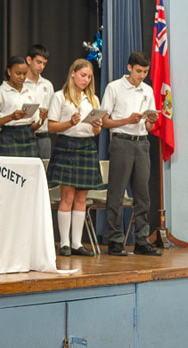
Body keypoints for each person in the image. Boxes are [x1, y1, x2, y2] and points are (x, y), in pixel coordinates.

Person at [100, 52, 161, 256]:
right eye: (138, 71)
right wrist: (127, 120)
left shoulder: (147, 90)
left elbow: (149, 127)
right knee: (116, 193)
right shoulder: (114, 87)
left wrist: (150, 122)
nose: (141, 76)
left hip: (141, 142)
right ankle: (115, 240)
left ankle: (141, 240)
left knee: (143, 195)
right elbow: (104, 121)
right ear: (129, 68)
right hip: (121, 141)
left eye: (145, 72)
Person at [46, 59, 103, 257]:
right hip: (67, 145)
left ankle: (77, 243)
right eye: (82, 75)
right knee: (67, 197)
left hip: (87, 146)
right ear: (73, 73)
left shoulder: (93, 99)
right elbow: (51, 127)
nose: (86, 80)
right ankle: (64, 243)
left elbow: (96, 131)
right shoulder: (59, 97)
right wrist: (69, 123)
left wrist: (97, 127)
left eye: (89, 77)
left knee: (81, 198)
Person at [0, 56, 43, 157]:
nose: (22, 77)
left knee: (29, 167)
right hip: (8, 137)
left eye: (24, 74)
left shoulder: (31, 92)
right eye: (18, 73)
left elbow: (33, 127)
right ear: (9, 71)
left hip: (28, 137)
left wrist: (42, 120)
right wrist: (11, 117)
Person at [24, 44, 54, 159]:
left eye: (44, 64)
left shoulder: (47, 85)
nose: (41, 67)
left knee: (44, 167)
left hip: (43, 136)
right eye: (38, 62)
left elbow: (52, 110)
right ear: (29, 60)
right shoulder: (20, 84)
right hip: (25, 136)